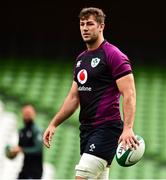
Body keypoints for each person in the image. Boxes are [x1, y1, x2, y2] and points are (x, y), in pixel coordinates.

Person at [43, 7, 139, 179]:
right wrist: (53, 123)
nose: (85, 28)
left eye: (90, 24)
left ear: (101, 26)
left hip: (106, 128)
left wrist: (128, 128)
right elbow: (73, 97)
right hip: (86, 130)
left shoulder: (114, 55)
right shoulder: (81, 59)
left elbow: (129, 93)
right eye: (82, 24)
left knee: (82, 176)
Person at [10, 104, 43, 179]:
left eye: (29, 112)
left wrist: (22, 150)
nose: (27, 114)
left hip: (35, 172)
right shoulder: (22, 132)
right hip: (24, 169)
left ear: (34, 114)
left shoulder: (36, 130)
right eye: (25, 112)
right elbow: (20, 148)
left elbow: (38, 149)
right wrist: (13, 153)